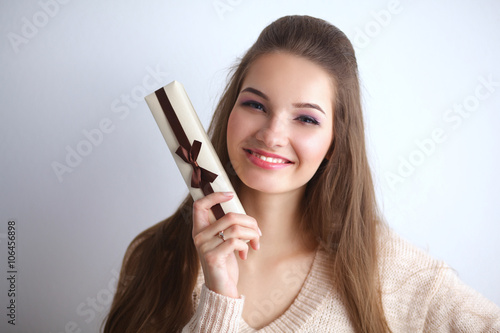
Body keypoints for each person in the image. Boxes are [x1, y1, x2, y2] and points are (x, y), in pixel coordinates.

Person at [103, 15, 500, 332]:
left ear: (335, 140)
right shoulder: (156, 256)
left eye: (306, 118)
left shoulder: (392, 272)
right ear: (230, 111)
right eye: (255, 105)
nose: (272, 134)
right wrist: (219, 299)